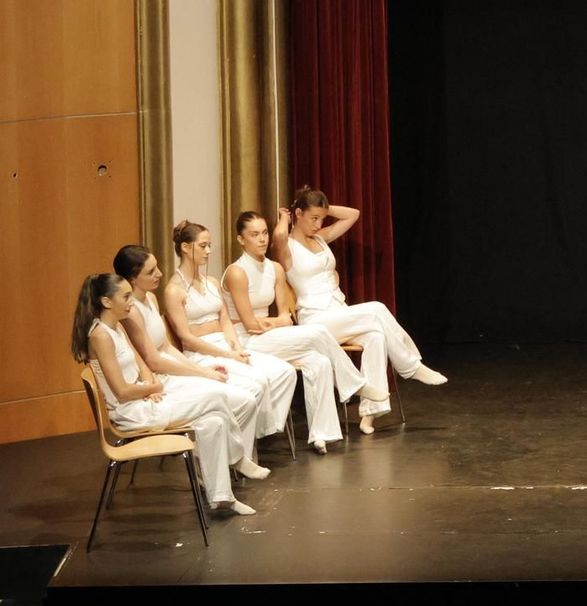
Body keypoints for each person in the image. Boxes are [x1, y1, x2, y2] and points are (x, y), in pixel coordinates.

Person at [73, 272, 257, 517]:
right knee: (216, 397)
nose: (130, 302)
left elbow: (141, 367)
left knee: (213, 422)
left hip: (143, 399)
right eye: (125, 296)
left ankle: (222, 497)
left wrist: (148, 383)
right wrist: (152, 388)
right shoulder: (100, 336)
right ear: (107, 302)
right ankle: (236, 456)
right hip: (131, 413)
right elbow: (122, 391)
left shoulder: (116, 327)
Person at [274, 186, 445, 433]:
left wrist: (322, 207)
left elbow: (353, 214)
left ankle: (369, 413)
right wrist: (285, 216)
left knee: (376, 336)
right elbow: (279, 235)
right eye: (313, 218)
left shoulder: (321, 238)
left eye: (321, 218)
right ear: (298, 214)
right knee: (376, 308)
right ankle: (410, 366)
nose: (318, 223)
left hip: (338, 312)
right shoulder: (287, 246)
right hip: (315, 319)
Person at [112, 245, 271, 479]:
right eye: (151, 271)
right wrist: (202, 374)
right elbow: (154, 361)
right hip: (162, 377)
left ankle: (224, 462)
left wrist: (200, 369)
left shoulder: (152, 300)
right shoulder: (131, 312)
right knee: (227, 399)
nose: (159, 274)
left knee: (246, 400)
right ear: (133, 279)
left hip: (172, 368)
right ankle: (225, 462)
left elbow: (166, 347)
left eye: (157, 268)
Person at [223, 210, 367, 451]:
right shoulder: (237, 272)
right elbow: (250, 324)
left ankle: (322, 434)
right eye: (254, 234)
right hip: (246, 340)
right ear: (241, 239)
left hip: (270, 335)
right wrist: (278, 322)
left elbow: (285, 316)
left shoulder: (275, 268)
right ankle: (354, 383)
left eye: (265, 233)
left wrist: (277, 322)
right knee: (318, 332)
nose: (262, 239)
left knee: (319, 362)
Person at [163, 222, 301, 456]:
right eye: (203, 246)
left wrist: (235, 346)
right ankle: (242, 450)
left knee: (285, 372)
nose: (209, 251)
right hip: (202, 353)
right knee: (257, 382)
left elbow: (225, 320)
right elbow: (186, 337)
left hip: (227, 344)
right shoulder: (173, 290)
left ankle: (258, 432)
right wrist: (228, 355)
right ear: (185, 248)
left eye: (210, 246)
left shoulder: (212, 282)